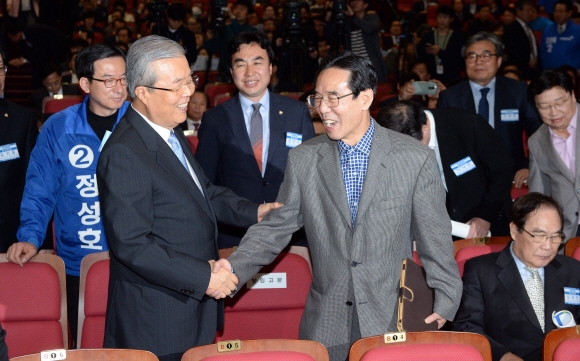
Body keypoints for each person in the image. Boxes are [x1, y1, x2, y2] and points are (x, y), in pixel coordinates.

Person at [212, 52, 462, 361]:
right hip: (327, 320)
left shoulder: (413, 158)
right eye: (317, 99)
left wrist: (446, 298)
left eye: (334, 98)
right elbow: (277, 227)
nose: (322, 110)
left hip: (391, 316)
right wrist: (233, 268)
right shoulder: (305, 159)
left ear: (365, 97)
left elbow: (433, 238)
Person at [96, 35, 280, 361]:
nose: (189, 93)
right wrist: (205, 278)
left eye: (190, 80)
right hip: (158, 320)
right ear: (142, 93)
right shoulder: (125, 152)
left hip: (190, 308)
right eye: (177, 85)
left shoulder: (167, 130)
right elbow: (133, 245)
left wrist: (255, 212)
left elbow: (202, 192)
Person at [6, 43, 130, 344]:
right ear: (85, 84)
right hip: (79, 257)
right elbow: (40, 188)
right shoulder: (58, 127)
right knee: (84, 339)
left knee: (132, 342)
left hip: (135, 258)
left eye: (124, 79)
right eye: (109, 80)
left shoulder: (141, 122)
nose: (119, 88)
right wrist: (30, 236)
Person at [196, 31, 314, 248]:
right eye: (241, 64)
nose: (249, 72)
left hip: (290, 234)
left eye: (257, 62)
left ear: (271, 68)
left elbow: (310, 178)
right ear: (232, 71)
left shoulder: (296, 113)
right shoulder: (215, 119)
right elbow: (205, 185)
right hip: (234, 236)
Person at [453, 192, 580, 361]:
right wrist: (503, 356)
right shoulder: (481, 271)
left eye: (555, 236)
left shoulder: (572, 269)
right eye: (539, 236)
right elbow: (466, 327)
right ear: (514, 230)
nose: (548, 246)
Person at [378, 101, 513, 237]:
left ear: (424, 129)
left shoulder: (468, 124)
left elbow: (502, 171)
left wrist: (485, 216)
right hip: (439, 229)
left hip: (485, 220)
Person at [438, 32, 542, 188]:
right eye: (472, 56)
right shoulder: (449, 97)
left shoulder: (518, 91)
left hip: (513, 175)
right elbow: (444, 142)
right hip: (466, 178)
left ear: (499, 61)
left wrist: (529, 166)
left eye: (486, 55)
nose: (478, 61)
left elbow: (539, 132)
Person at [528, 69, 580, 240]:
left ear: (572, 96)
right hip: (568, 232)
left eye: (559, 103)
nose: (554, 112)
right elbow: (538, 196)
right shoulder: (536, 142)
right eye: (544, 107)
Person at [0, 45, 38, 253]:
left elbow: (35, 183)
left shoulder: (22, 119)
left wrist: (35, 238)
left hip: (10, 240)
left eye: (0, 68)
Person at [417, 5, 464, 85]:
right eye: (440, 16)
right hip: (432, 78)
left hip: (451, 78)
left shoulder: (458, 37)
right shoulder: (428, 36)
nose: (442, 20)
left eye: (445, 17)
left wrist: (440, 52)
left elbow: (459, 60)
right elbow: (420, 55)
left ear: (451, 19)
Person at [343, 0, 388, 82]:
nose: (354, 3)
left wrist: (353, 16)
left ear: (365, 5)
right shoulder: (347, 22)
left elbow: (369, 29)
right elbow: (330, 33)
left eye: (358, 1)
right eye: (352, 1)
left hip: (371, 66)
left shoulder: (372, 17)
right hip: (354, 67)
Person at [502, 0, 538, 80]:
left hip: (532, 69)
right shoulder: (511, 28)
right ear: (519, 11)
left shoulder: (528, 27)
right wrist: (527, 61)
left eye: (532, 10)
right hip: (520, 70)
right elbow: (511, 50)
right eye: (528, 10)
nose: (530, 13)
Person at [540, 0, 580, 72]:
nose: (557, 14)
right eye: (555, 11)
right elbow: (543, 52)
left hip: (571, 74)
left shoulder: (578, 31)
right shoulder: (547, 31)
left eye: (561, 11)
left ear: (569, 13)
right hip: (550, 73)